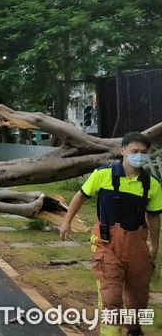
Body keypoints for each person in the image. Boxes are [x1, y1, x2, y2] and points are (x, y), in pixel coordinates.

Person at [60, 132, 162, 336]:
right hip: (106, 244)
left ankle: (133, 330)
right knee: (111, 296)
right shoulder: (103, 174)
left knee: (138, 296)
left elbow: (153, 217)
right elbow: (81, 195)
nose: (139, 156)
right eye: (134, 151)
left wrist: (154, 245)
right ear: (122, 151)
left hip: (137, 246)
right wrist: (67, 221)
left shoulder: (152, 184)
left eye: (143, 152)